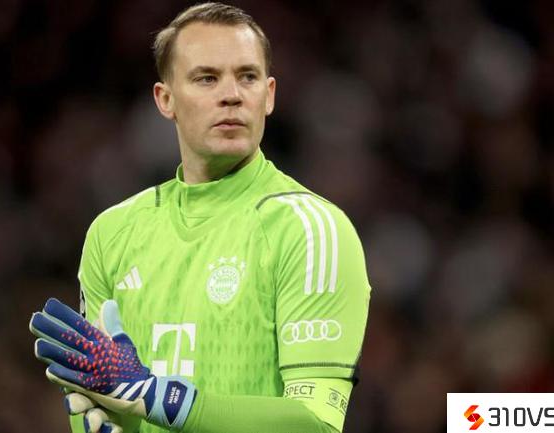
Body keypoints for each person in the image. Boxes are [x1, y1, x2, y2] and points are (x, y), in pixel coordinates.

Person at [29, 3, 371, 433]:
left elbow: (316, 424)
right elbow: (95, 399)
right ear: (165, 99)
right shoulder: (112, 233)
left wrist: (160, 399)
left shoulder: (310, 230)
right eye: (207, 78)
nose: (232, 94)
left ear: (269, 96)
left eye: (247, 77)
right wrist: (103, 422)